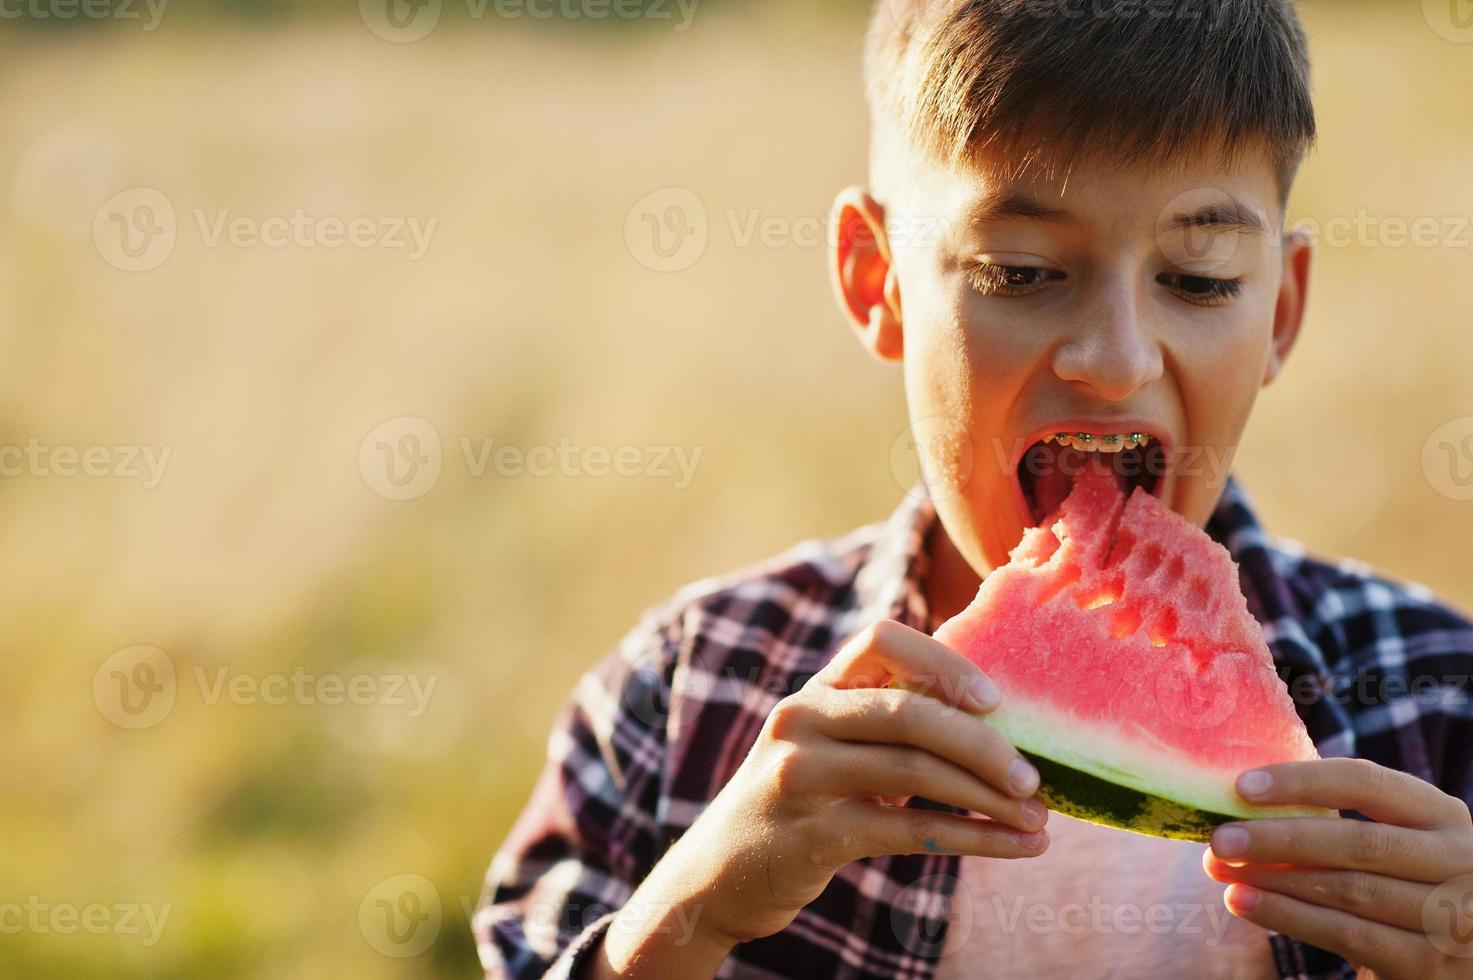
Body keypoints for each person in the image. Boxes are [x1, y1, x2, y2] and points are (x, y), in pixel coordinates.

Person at [473, 1, 1473, 977]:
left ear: (1283, 313)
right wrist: (679, 924)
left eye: (1202, 278)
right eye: (1024, 270)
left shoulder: (1438, 700)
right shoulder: (682, 694)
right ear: (879, 281)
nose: (1115, 358)